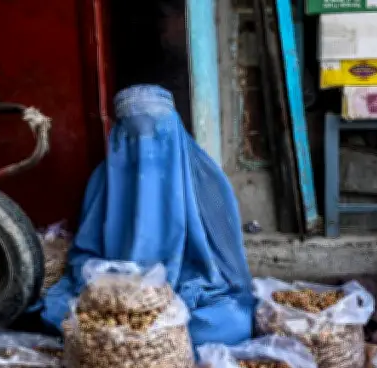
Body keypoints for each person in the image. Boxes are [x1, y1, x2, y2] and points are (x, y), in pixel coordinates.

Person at [39, 85, 255, 349]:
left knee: (230, 321)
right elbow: (85, 251)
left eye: (155, 131)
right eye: (133, 135)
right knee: (61, 313)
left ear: (173, 127)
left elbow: (224, 250)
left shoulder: (204, 177)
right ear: (119, 135)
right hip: (115, 289)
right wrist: (110, 286)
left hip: (189, 282)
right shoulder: (103, 180)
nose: (144, 145)